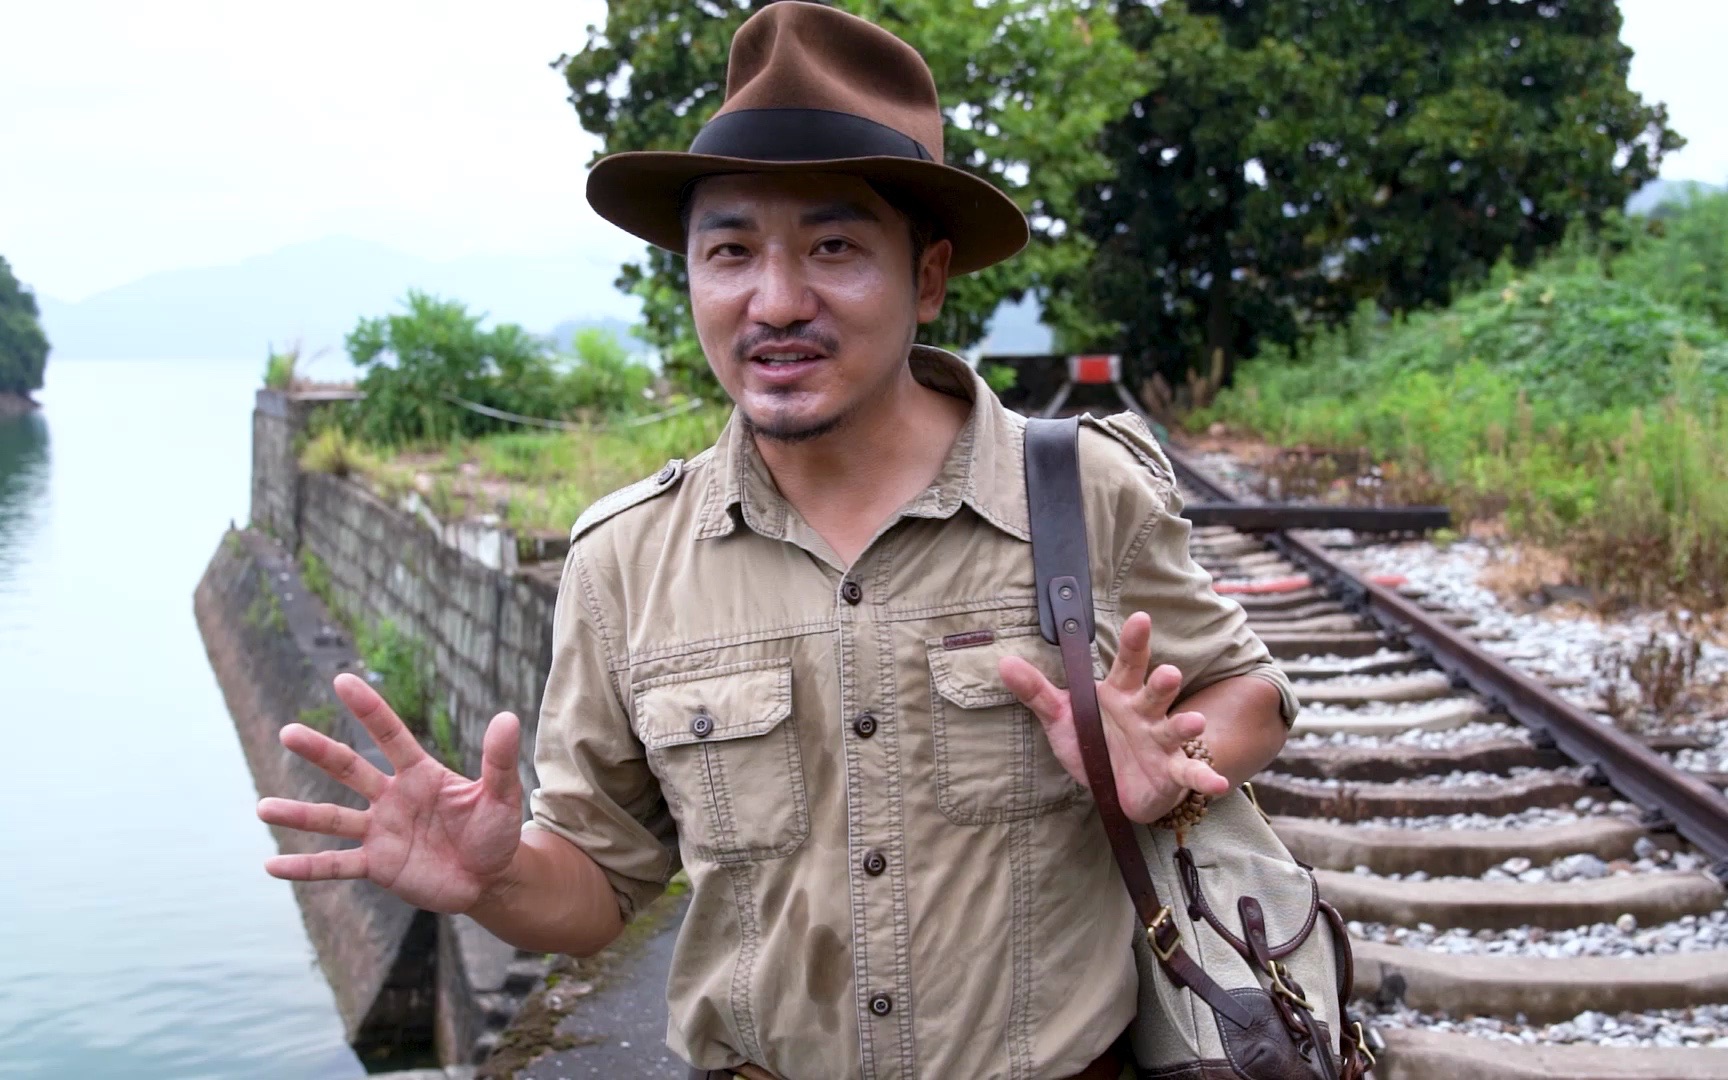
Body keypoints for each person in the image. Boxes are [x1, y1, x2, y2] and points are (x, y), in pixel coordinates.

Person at [255, 5, 1297, 1078]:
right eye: (732, 251)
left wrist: (1172, 763)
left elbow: (1249, 696)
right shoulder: (626, 561)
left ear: (927, 277)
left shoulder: (1076, 492)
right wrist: (494, 878)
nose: (777, 300)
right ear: (693, 278)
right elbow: (598, 888)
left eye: (834, 247)